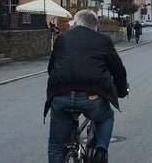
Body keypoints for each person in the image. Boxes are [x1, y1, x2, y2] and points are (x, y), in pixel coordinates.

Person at [44, 10, 129, 163]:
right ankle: (101, 151)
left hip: (60, 95)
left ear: (75, 24)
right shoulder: (103, 40)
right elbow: (118, 70)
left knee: (56, 146)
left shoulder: (62, 38)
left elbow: (51, 69)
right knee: (106, 116)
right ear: (96, 27)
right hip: (91, 97)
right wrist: (121, 92)